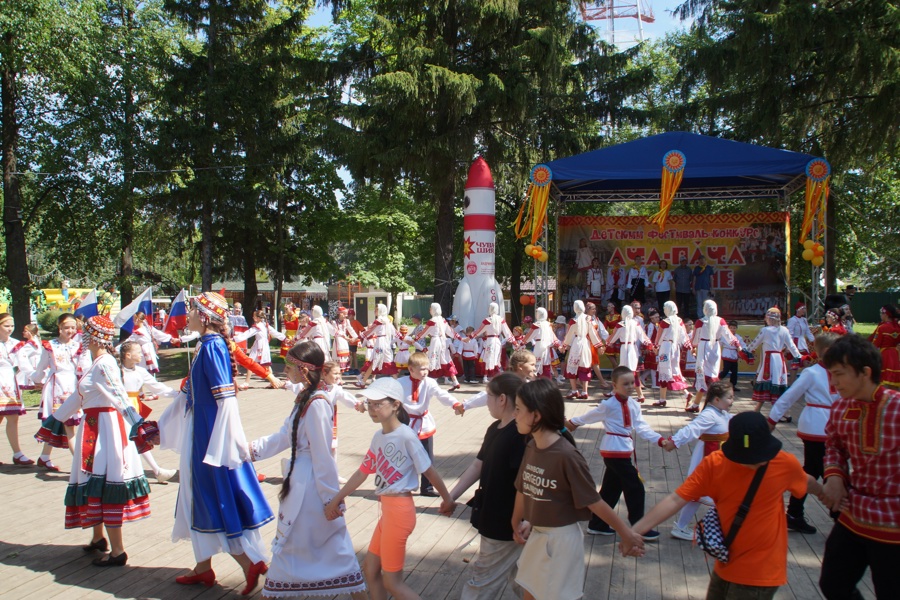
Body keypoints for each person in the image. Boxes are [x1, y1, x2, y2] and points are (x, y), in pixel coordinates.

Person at [632, 411, 820, 600]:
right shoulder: (715, 463)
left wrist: (825, 492)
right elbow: (676, 499)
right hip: (726, 564)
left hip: (761, 571)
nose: (756, 461)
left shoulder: (784, 463)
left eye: (760, 454)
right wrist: (634, 532)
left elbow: (807, 482)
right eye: (749, 457)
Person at [156, 292, 273, 595]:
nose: (188, 316)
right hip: (204, 431)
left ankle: (247, 564)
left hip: (208, 437)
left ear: (205, 318)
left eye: (192, 311)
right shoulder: (207, 346)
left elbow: (225, 398)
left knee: (206, 495)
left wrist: (229, 443)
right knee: (198, 495)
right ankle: (203, 568)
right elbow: (193, 394)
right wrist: (161, 425)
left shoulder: (212, 348)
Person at [249, 343, 366, 598]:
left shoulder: (317, 403)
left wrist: (331, 499)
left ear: (303, 371)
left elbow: (323, 456)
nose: (285, 371)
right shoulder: (305, 397)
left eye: (289, 367)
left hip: (310, 485)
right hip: (300, 480)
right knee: (308, 542)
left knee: (327, 542)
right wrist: (250, 451)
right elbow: (284, 436)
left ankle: (355, 592)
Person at [513, 378, 645, 600]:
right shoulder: (532, 446)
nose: (514, 415)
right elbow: (525, 488)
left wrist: (626, 534)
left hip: (561, 541)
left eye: (518, 409)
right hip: (538, 535)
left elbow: (594, 501)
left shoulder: (566, 455)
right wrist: (520, 521)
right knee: (531, 593)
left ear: (536, 416)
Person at [36, 316, 152, 567]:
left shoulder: (104, 364)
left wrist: (138, 425)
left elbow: (120, 398)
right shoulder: (97, 362)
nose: (80, 336)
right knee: (92, 481)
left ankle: (118, 550)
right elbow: (79, 397)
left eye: (84, 333)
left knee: (106, 482)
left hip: (106, 432)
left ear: (93, 336)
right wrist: (53, 422)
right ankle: (99, 537)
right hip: (95, 429)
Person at [326, 377, 453, 600]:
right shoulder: (378, 437)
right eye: (369, 404)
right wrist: (337, 498)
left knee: (392, 583)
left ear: (395, 405)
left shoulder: (406, 436)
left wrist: (447, 499)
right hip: (388, 511)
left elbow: (429, 471)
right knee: (370, 570)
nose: (371, 409)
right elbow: (362, 473)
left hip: (400, 511)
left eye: (377, 404)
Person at [818, 334, 900, 599]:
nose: (833, 382)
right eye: (831, 374)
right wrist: (834, 476)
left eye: (839, 374)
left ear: (865, 372)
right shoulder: (841, 407)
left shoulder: (897, 408)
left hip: (893, 523)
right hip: (853, 515)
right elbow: (834, 445)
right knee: (833, 584)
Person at [440, 373, 528, 599]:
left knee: (482, 581)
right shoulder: (495, 428)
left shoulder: (520, 435)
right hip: (493, 514)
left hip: (506, 521)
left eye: (488, 396)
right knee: (525, 580)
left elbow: (526, 482)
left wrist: (526, 518)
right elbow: (478, 465)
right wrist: (451, 497)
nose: (486, 401)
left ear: (502, 399)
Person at [565, 365, 665, 539]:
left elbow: (641, 427)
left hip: (624, 449)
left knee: (611, 489)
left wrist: (659, 439)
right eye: (625, 384)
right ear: (614, 385)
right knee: (635, 487)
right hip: (613, 450)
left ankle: (597, 524)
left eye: (631, 383)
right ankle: (639, 526)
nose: (629, 387)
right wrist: (573, 422)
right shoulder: (608, 404)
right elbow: (591, 415)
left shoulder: (634, 404)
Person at [767, 332, 840, 535]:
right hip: (817, 427)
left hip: (831, 427)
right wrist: (773, 419)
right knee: (828, 471)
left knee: (813, 470)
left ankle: (795, 513)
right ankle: (840, 515)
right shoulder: (812, 373)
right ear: (826, 352)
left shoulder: (840, 371)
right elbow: (789, 396)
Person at [661, 380, 735, 541]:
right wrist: (674, 441)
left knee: (700, 493)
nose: (732, 401)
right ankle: (725, 530)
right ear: (716, 399)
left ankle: (682, 527)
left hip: (717, 458)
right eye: (729, 397)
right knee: (710, 493)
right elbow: (692, 429)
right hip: (707, 458)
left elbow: (731, 420)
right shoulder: (710, 414)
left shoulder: (720, 413)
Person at [390, 351, 459, 497]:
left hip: (424, 423)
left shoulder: (430, 383)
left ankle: (427, 488)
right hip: (405, 423)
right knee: (403, 456)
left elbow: (442, 395)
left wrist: (455, 404)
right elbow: (386, 396)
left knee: (427, 458)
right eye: (421, 369)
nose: (425, 372)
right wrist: (367, 404)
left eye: (427, 368)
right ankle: (402, 485)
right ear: (411, 369)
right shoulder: (400, 383)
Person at [31, 312, 91, 471]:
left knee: (65, 422)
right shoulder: (49, 345)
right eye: (66, 327)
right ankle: (81, 465)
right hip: (55, 386)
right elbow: (41, 367)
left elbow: (85, 368)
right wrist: (36, 380)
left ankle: (44, 457)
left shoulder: (79, 346)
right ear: (59, 327)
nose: (70, 330)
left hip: (72, 385)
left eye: (72, 327)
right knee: (67, 424)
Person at [119, 341, 178, 484]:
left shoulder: (140, 371)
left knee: (137, 437)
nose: (142, 354)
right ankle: (152, 470)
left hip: (133, 408)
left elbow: (156, 387)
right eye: (138, 352)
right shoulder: (116, 371)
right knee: (128, 439)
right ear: (128, 355)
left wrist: (177, 394)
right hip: (119, 407)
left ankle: (156, 470)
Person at [690, 300, 741, 413]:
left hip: (704, 347)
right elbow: (729, 336)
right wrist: (737, 344)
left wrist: (692, 347)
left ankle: (711, 403)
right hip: (715, 347)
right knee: (712, 375)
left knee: (703, 376)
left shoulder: (700, 322)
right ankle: (696, 404)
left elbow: (695, 338)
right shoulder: (720, 321)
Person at [748, 307, 802, 413]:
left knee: (766, 383)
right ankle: (773, 411)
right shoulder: (784, 330)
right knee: (776, 384)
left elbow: (754, 343)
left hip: (769, 360)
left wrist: (746, 351)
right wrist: (798, 356)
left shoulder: (765, 330)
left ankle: (777, 413)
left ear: (769, 318)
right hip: (779, 360)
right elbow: (791, 346)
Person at [455, 350, 536, 415]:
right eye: (532, 365)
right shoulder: (507, 383)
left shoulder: (529, 384)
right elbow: (487, 395)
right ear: (520, 366)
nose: (535, 368)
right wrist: (465, 406)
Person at [0, 313, 34, 465]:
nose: (10, 329)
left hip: (10, 382)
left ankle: (17, 453)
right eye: (6, 326)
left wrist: (35, 377)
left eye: (12, 326)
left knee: (13, 417)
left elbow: (23, 364)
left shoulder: (16, 344)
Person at [409, 302, 463, 390]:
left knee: (433, 360)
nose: (429, 310)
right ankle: (455, 381)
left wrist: (414, 340)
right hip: (443, 342)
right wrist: (460, 338)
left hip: (435, 342)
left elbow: (423, 333)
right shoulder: (443, 320)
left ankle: (428, 384)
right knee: (446, 361)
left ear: (433, 309)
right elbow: (450, 332)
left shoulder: (432, 321)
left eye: (430, 308)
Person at [605, 305, 654, 403]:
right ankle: (616, 392)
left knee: (627, 372)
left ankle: (638, 395)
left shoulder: (620, 324)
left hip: (625, 348)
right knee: (628, 372)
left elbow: (613, 337)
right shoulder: (636, 324)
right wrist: (650, 345)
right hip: (633, 349)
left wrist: (606, 344)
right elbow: (643, 337)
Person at [560, 300, 605, 400]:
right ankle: (584, 391)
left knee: (572, 366)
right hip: (586, 343)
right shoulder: (589, 319)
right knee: (584, 366)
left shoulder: (573, 321)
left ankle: (574, 390)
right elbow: (593, 334)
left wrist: (564, 345)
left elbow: (569, 335)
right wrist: (599, 346)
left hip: (576, 343)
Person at [652, 301, 690, 409]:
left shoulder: (665, 322)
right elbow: (684, 337)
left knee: (664, 371)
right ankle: (686, 394)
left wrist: (656, 347)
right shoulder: (679, 321)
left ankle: (662, 399)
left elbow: (659, 337)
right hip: (675, 348)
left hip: (665, 348)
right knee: (675, 371)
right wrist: (690, 347)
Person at [123, 311, 182, 375]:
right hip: (150, 351)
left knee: (142, 370)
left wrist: (116, 349)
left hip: (143, 353)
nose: (133, 321)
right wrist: (170, 338)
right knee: (149, 370)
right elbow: (159, 334)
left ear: (137, 320)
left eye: (134, 319)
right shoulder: (148, 328)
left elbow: (127, 342)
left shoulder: (138, 332)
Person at [469, 302, 514, 383]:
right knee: (494, 358)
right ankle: (492, 377)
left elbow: (479, 331)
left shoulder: (488, 320)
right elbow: (508, 333)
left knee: (489, 359)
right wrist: (514, 342)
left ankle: (490, 377)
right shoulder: (501, 320)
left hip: (490, 341)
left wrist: (469, 337)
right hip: (496, 341)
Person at [357, 303, 399, 387]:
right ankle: (396, 383)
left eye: (376, 309)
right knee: (389, 362)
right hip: (386, 344)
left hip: (380, 343)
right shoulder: (387, 321)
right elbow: (396, 333)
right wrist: (405, 338)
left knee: (374, 362)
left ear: (380, 310)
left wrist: (358, 337)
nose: (374, 311)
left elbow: (369, 331)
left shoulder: (379, 321)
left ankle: (363, 382)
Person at [521, 307, 559, 380]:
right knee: (546, 365)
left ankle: (536, 383)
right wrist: (558, 344)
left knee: (536, 365)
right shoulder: (548, 324)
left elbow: (529, 336)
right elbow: (553, 336)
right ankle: (547, 384)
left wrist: (521, 343)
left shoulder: (536, 325)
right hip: (547, 347)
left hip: (539, 346)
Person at [870, 304, 900, 388]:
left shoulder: (882, 327)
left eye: (881, 313)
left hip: (885, 355)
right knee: (894, 383)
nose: (880, 315)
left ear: (885, 314)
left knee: (883, 382)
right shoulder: (898, 327)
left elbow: (875, 344)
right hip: (896, 356)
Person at [787, 302, 815, 380]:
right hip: (795, 343)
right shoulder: (792, 320)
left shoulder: (804, 320)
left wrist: (814, 341)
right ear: (797, 310)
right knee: (794, 366)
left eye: (805, 309)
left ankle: (807, 382)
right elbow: (790, 333)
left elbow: (808, 332)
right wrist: (789, 346)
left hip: (802, 343)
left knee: (807, 362)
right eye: (803, 308)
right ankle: (791, 384)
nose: (805, 310)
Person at [718, 320, 748, 391]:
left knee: (734, 372)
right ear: (728, 328)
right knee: (725, 371)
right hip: (727, 354)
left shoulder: (738, 337)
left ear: (736, 328)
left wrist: (745, 349)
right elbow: (719, 344)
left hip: (734, 355)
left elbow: (743, 345)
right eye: (731, 328)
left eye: (734, 328)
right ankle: (715, 381)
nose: (732, 329)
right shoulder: (724, 336)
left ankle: (733, 385)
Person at [12, 323, 41, 391]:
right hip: (30, 364)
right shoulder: (33, 341)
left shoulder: (31, 344)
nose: (23, 332)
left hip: (31, 365)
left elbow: (20, 353)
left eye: (25, 331)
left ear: (30, 333)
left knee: (19, 378)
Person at [330, 306, 359, 372]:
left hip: (344, 342)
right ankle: (338, 376)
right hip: (338, 341)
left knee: (344, 359)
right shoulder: (334, 322)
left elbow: (351, 330)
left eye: (346, 314)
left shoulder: (346, 321)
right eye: (344, 314)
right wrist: (348, 338)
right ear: (340, 314)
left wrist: (356, 337)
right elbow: (337, 332)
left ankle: (341, 376)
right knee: (338, 359)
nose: (345, 316)